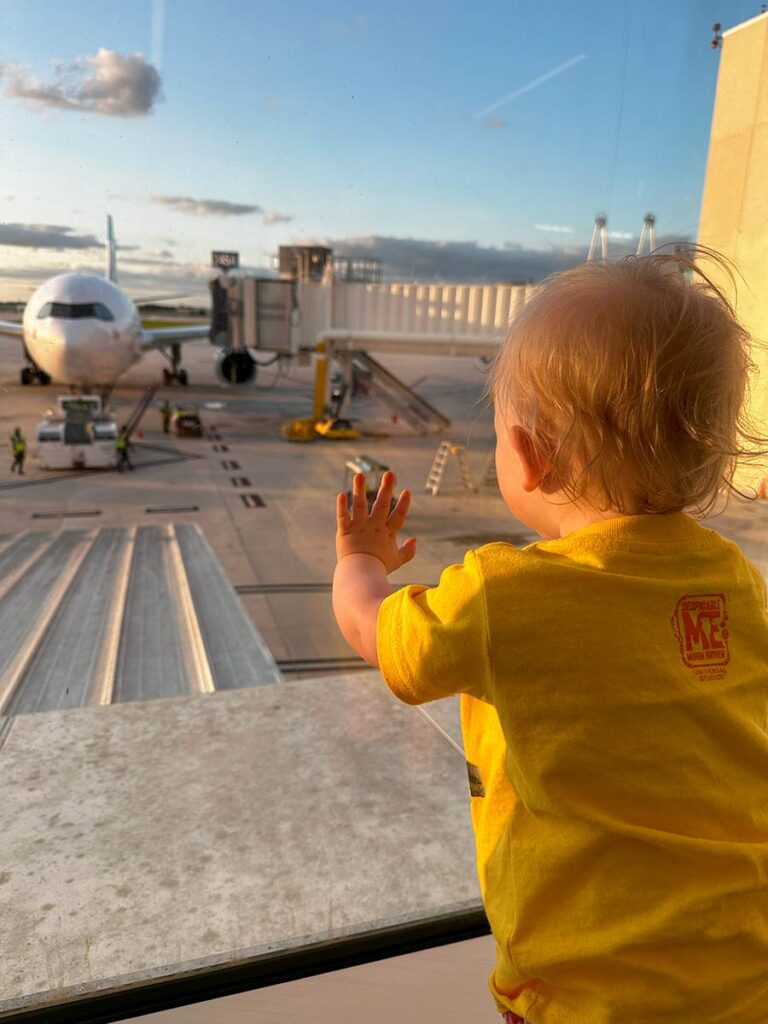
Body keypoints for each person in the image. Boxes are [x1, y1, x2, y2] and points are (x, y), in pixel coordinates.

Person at [332, 250, 768, 1023]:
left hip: (591, 1000)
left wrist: (360, 559)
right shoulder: (735, 581)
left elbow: (375, 632)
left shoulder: (504, 595)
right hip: (744, 973)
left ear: (528, 456)